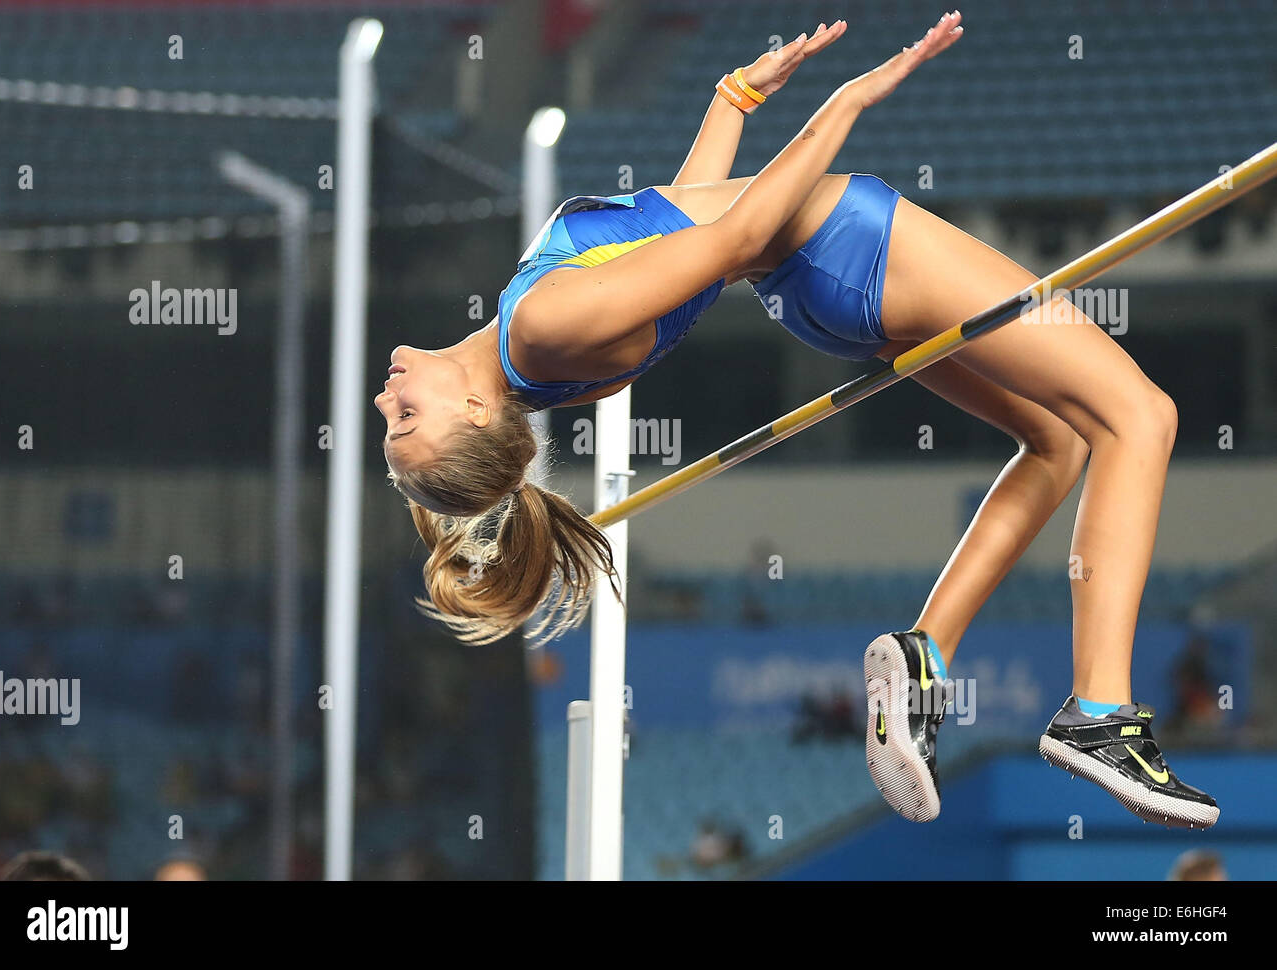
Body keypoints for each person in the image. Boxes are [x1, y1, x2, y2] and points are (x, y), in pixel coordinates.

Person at [376, 13, 1217, 828]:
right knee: (1140, 414)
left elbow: (680, 231)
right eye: (407, 417)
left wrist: (732, 101)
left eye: (391, 417)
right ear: (479, 413)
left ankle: (927, 651)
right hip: (849, 244)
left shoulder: (536, 347)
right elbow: (737, 234)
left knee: (1059, 439)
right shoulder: (544, 329)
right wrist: (846, 103)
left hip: (825, 284)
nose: (385, 397)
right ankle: (1100, 712)